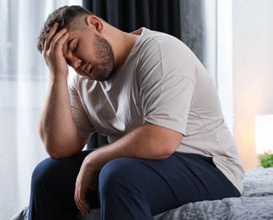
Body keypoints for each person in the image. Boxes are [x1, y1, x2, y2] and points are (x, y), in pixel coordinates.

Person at [28, 5, 244, 220]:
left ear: (95, 25)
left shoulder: (160, 53)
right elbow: (59, 148)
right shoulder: (83, 81)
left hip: (210, 167)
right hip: (142, 166)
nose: (76, 64)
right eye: (66, 62)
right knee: (47, 175)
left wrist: (94, 159)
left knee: (118, 175)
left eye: (74, 47)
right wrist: (57, 76)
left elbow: (162, 141)